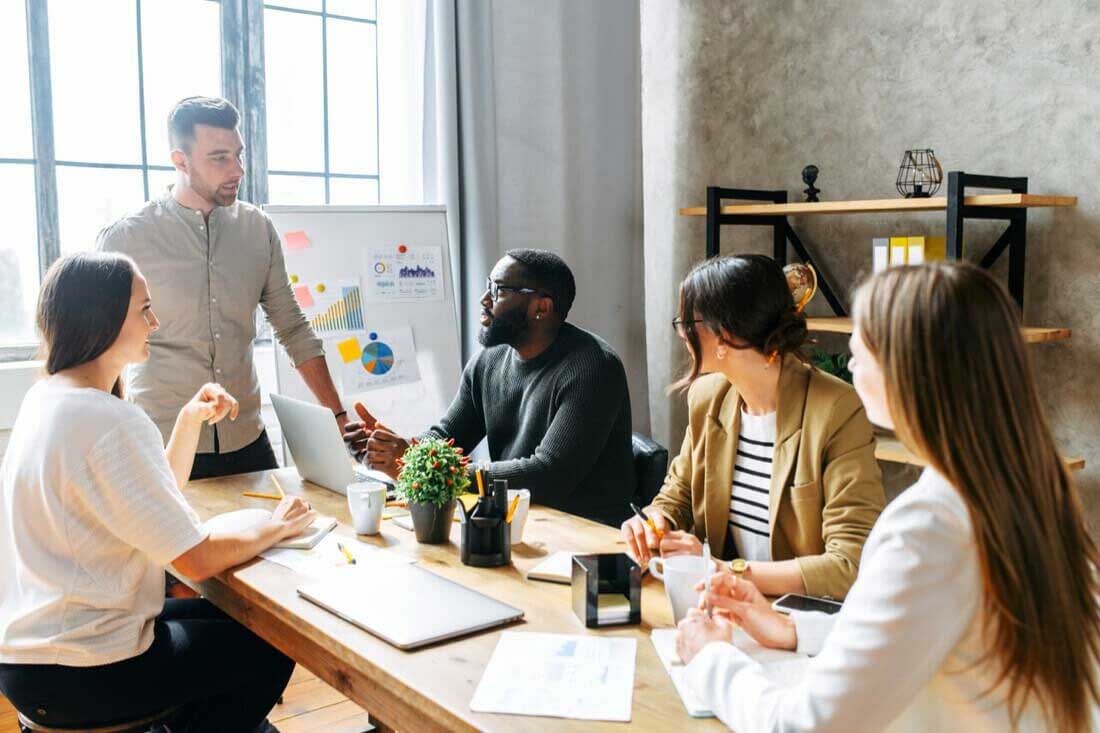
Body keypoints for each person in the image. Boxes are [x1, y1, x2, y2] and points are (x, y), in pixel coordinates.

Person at [677, 262, 1100, 731]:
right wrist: (796, 629)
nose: (850, 360)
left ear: (910, 371)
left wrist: (711, 658)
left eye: (862, 348)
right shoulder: (1029, 491)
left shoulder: (927, 528)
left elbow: (804, 726)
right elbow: (928, 628)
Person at [0, 252, 316, 732]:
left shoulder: (47, 399)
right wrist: (276, 527)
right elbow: (196, 560)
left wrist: (189, 421)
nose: (156, 322)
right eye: (144, 310)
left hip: (29, 665)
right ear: (103, 320)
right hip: (82, 671)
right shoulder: (108, 418)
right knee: (274, 641)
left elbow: (147, 503)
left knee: (228, 620)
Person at [98, 96, 346, 480]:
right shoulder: (126, 239)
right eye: (220, 158)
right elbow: (100, 347)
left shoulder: (257, 230)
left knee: (288, 519)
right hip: (163, 441)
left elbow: (293, 328)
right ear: (180, 161)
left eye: (238, 155)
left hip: (245, 435)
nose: (238, 170)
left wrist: (339, 417)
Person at [622, 255, 884, 600]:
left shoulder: (836, 410)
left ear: (724, 336)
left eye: (687, 322)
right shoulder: (708, 398)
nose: (682, 333)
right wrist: (655, 521)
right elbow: (679, 493)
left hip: (800, 617)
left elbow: (850, 564)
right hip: (723, 606)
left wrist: (724, 571)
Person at [345, 249, 635, 526]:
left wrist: (425, 469)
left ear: (541, 307)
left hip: (585, 534)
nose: (484, 300)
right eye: (488, 287)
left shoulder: (594, 368)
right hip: (516, 520)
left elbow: (548, 476)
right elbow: (447, 437)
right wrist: (390, 450)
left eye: (499, 290)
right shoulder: (488, 361)